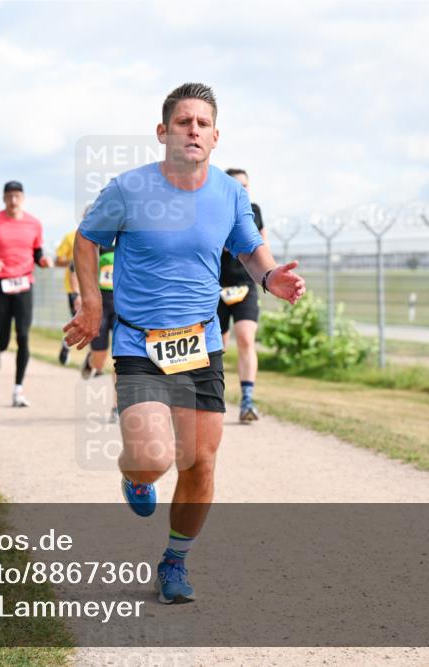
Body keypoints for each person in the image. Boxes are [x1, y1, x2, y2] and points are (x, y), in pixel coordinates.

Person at [63, 83, 305, 605]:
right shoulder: (128, 189)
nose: (193, 129)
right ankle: (137, 478)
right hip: (138, 342)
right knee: (153, 458)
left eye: (202, 123)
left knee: (199, 463)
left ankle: (174, 562)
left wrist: (271, 280)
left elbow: (251, 250)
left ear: (216, 137)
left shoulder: (230, 194)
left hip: (199, 344)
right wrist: (91, 304)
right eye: (183, 121)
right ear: (163, 132)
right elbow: (85, 238)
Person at [0, 181, 53, 407]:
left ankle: (18, 389)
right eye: (9, 196)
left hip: (24, 283)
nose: (13, 200)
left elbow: (37, 252)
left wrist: (42, 260)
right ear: (3, 198)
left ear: (23, 198)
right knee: (3, 335)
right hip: (1, 284)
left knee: (23, 336)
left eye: (17, 196)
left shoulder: (34, 224)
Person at [220, 167, 269, 422]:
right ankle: (210, 397)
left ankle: (247, 400)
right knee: (215, 346)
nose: (242, 190)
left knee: (246, 338)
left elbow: (262, 244)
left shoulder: (255, 211)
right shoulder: (214, 211)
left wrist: (269, 276)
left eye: (245, 186)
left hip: (245, 284)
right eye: (236, 186)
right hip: (215, 287)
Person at [79, 242, 119, 423]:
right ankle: (91, 361)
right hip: (101, 305)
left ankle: (117, 407)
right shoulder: (98, 244)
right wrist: (79, 297)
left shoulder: (130, 242)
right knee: (99, 358)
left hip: (122, 305)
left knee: (121, 358)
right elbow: (77, 269)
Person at [54, 227, 82, 365]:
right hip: (74, 286)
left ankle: (93, 358)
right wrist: (74, 260)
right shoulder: (71, 237)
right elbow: (57, 261)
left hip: (98, 286)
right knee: (78, 322)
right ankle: (67, 343)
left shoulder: (107, 238)